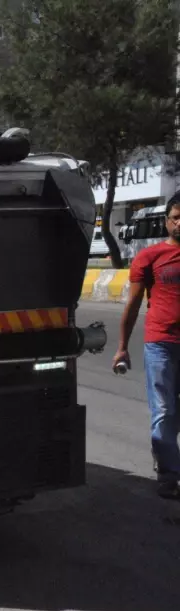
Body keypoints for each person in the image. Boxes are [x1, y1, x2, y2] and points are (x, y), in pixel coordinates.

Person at [115, 194, 180, 498]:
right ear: (167, 221)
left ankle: (166, 458)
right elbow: (133, 303)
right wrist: (122, 346)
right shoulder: (150, 257)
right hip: (161, 344)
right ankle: (169, 475)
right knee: (165, 410)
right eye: (176, 217)